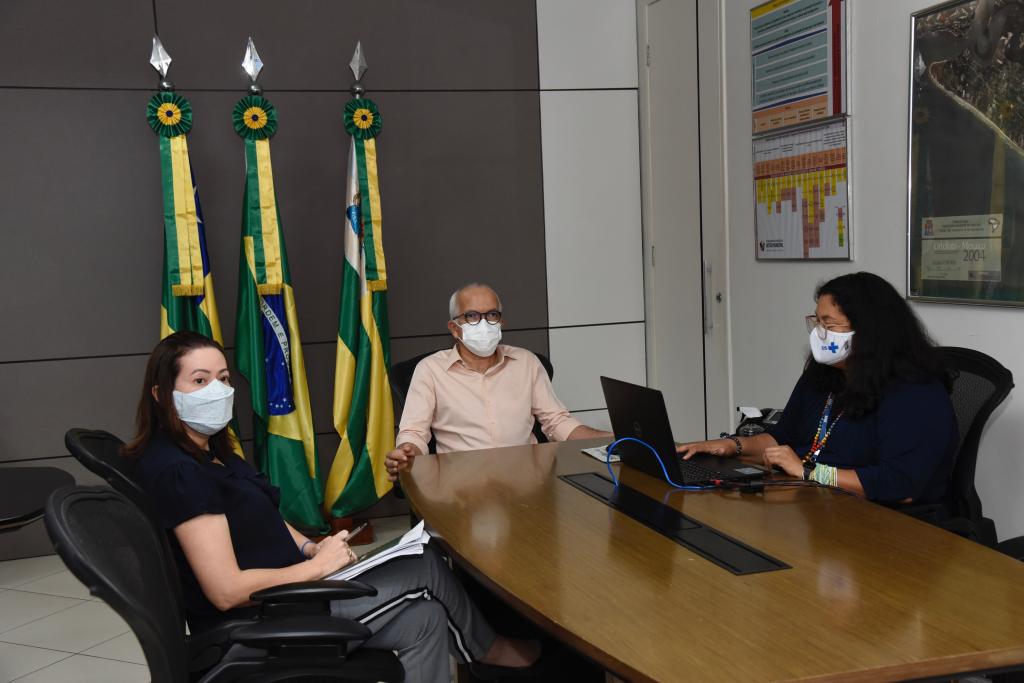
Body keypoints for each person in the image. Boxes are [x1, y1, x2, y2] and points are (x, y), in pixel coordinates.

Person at [123, 331, 540, 683]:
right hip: (263, 621)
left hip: (290, 595)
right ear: (161, 394)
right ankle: (489, 650)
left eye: (223, 378)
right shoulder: (179, 472)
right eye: (199, 381)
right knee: (427, 564)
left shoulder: (210, 454)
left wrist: (311, 547)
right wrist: (315, 569)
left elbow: (264, 515)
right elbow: (225, 591)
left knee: (426, 619)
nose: (216, 390)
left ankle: (484, 648)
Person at [678, 272, 957, 503]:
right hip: (820, 503)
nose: (819, 333)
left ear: (870, 332)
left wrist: (809, 472)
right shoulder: (823, 375)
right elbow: (781, 439)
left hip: (890, 524)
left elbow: (899, 487)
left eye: (829, 324)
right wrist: (732, 446)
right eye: (817, 321)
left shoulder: (915, 393)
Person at [385, 283, 611, 480]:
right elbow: (414, 433)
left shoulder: (526, 362)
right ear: (454, 328)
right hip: (460, 489)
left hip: (526, 485)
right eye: (472, 316)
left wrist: (613, 438)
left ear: (501, 322)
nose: (484, 323)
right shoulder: (430, 370)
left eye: (492, 315)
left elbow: (557, 422)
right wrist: (407, 452)